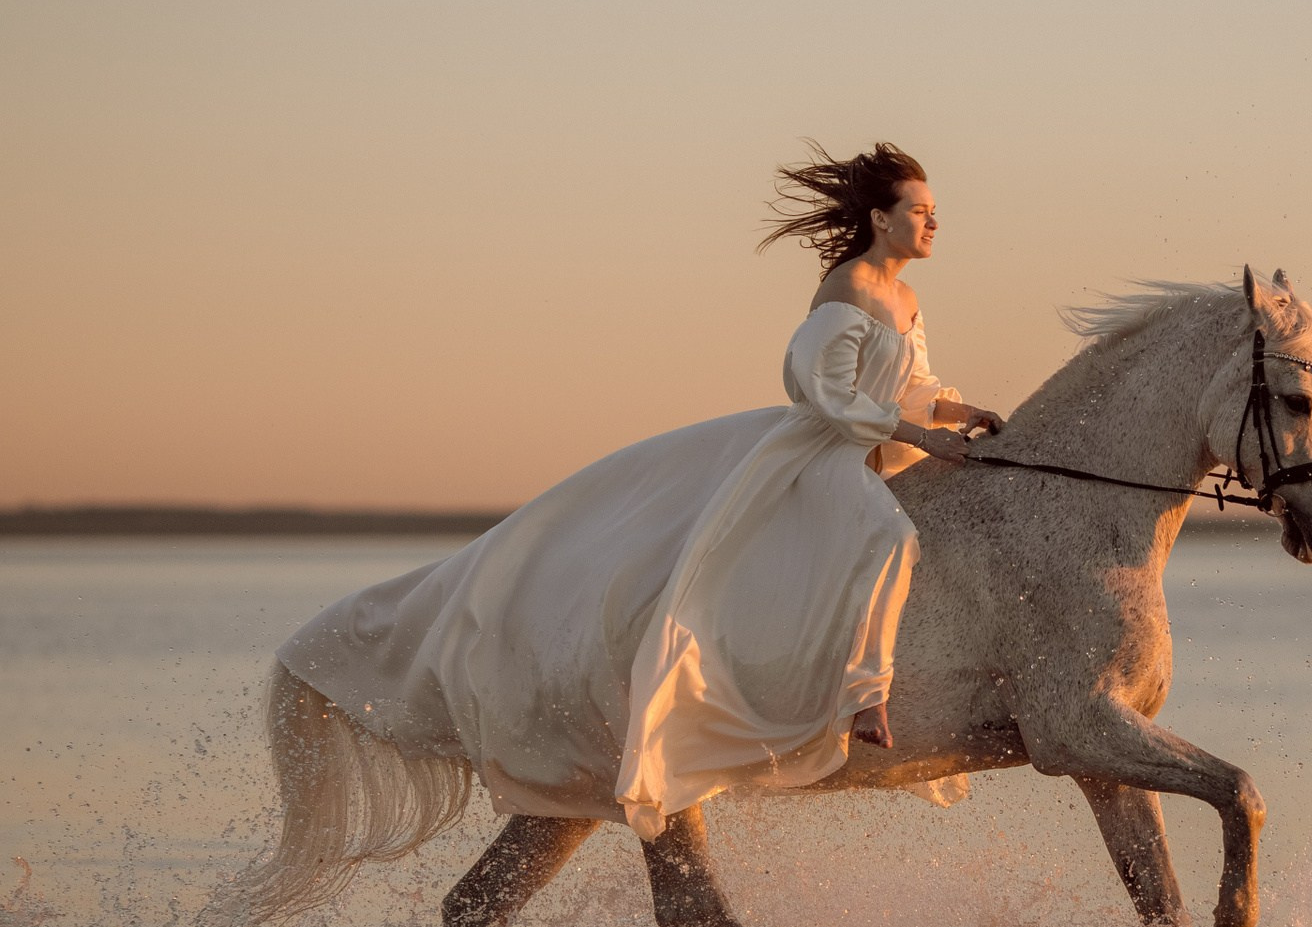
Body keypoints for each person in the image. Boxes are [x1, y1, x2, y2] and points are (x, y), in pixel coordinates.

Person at [274, 142, 1000, 841]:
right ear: (880, 218)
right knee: (890, 537)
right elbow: (820, 389)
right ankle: (864, 697)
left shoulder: (906, 297)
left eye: (934, 211)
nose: (932, 222)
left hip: (878, 451)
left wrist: (959, 415)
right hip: (822, 451)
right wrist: (923, 438)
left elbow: (914, 387)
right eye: (920, 209)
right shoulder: (846, 288)